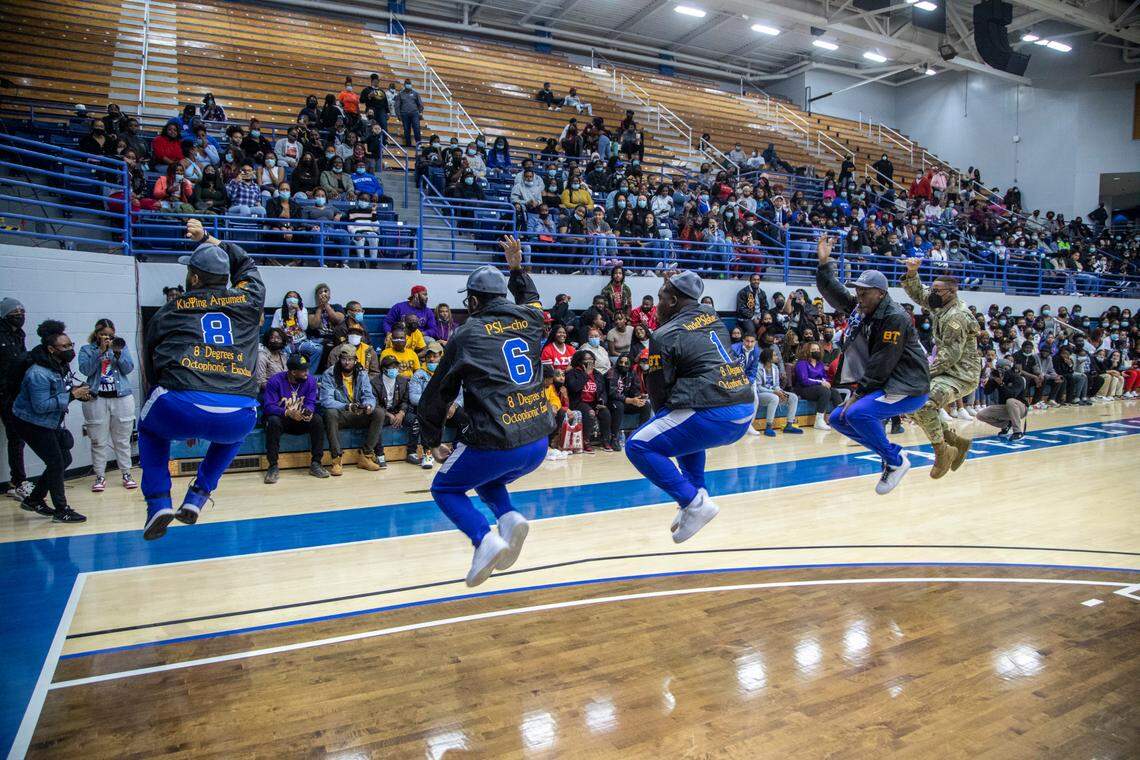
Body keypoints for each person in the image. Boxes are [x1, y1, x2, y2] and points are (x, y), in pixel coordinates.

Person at [417, 237, 555, 587]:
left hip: (497, 440)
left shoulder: (467, 334)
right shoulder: (532, 319)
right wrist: (517, 269)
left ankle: (484, 539)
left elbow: (437, 394)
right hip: (538, 441)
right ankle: (508, 518)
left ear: (474, 301)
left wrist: (431, 440)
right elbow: (533, 300)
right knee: (487, 479)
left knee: (445, 488)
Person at [139, 220, 263, 541]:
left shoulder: (169, 310)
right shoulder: (249, 302)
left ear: (193, 278)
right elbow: (246, 263)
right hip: (237, 411)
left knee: (149, 426)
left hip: (179, 403)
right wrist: (209, 238)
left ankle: (158, 502)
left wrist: (183, 411)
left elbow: (152, 370)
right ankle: (198, 496)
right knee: (238, 426)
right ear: (227, 279)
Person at [625, 271, 755, 543]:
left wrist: (660, 419)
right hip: (744, 408)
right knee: (683, 427)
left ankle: (693, 502)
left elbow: (658, 391)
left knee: (638, 445)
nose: (657, 305)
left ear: (672, 300)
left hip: (714, 410)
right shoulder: (713, 317)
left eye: (661, 298)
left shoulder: (663, 334)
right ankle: (698, 494)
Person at [815, 237, 930, 494]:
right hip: (886, 384)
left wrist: (856, 394)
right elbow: (835, 293)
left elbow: (882, 362)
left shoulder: (894, 317)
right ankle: (890, 455)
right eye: (857, 291)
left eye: (864, 292)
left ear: (881, 293)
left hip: (908, 386)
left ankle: (895, 461)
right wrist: (824, 263)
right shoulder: (863, 309)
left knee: (855, 413)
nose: (859, 296)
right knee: (838, 419)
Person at [901, 258, 980, 478]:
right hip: (946, 371)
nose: (932, 293)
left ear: (951, 293)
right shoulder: (941, 304)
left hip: (961, 375)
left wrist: (922, 373)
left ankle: (942, 451)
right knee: (909, 401)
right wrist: (912, 272)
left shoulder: (957, 317)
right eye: (932, 288)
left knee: (924, 404)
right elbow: (919, 294)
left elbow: (949, 356)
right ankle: (955, 441)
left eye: (937, 290)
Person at [11, 320, 93, 522]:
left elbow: (61, 390)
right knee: (56, 462)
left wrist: (78, 392)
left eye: (70, 345)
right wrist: (72, 395)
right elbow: (41, 406)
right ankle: (61, 510)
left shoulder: (58, 364)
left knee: (64, 459)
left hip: (48, 422)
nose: (69, 350)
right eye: (64, 347)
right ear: (50, 349)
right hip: (31, 423)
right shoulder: (38, 373)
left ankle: (34, 500)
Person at [77, 319, 137, 492]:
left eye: (110, 335)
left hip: (121, 397)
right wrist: (101, 353)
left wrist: (116, 353)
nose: (107, 338)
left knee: (122, 440)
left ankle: (126, 473)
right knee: (98, 440)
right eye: (103, 335)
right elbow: (86, 370)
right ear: (96, 334)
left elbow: (128, 369)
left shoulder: (120, 346)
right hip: (97, 398)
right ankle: (100, 476)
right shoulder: (87, 350)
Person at [262, 353, 329, 483]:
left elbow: (311, 402)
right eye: (303, 370)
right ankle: (273, 466)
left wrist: (308, 411)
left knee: (317, 420)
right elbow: (268, 407)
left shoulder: (310, 381)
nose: (307, 372)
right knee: (273, 421)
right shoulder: (275, 381)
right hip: (283, 419)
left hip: (300, 420)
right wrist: (287, 412)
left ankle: (316, 463)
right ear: (293, 372)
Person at [319, 343, 386, 473]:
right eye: (344, 359)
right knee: (330, 413)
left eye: (350, 359)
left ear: (355, 360)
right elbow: (326, 400)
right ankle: (336, 459)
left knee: (378, 412)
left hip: (357, 412)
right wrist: (347, 406)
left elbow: (368, 394)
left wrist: (368, 405)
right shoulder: (329, 374)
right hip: (341, 413)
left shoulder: (361, 373)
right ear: (339, 359)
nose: (347, 362)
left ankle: (366, 456)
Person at [0, 298, 30, 501]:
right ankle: (18, 481)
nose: (19, 314)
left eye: (22, 310)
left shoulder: (18, 335)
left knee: (16, 438)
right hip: (3, 391)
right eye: (15, 311)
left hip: (14, 393)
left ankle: (17, 481)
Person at [566, 349, 611, 451]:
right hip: (578, 402)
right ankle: (586, 441)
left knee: (605, 412)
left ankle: (606, 441)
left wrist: (601, 401)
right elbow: (574, 388)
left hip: (594, 402)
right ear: (579, 361)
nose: (589, 362)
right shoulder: (572, 373)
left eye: (591, 359)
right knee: (590, 413)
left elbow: (603, 391)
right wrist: (586, 374)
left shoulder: (597, 374)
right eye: (586, 359)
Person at [755, 346, 803, 436]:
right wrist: (774, 392)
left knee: (793, 397)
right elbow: (758, 388)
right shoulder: (758, 368)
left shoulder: (775, 368)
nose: (777, 357)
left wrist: (780, 392)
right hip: (760, 395)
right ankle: (768, 427)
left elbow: (776, 385)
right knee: (774, 398)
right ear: (768, 357)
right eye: (774, 355)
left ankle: (789, 425)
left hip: (773, 393)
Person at [793, 342, 841, 430]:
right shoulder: (802, 363)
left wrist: (826, 382)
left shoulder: (820, 364)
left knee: (834, 392)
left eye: (818, 349)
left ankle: (840, 419)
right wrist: (820, 383)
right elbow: (804, 380)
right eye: (813, 350)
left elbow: (824, 378)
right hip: (804, 389)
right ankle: (819, 421)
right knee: (824, 391)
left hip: (817, 389)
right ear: (807, 351)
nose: (816, 351)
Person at [977, 357, 1028, 440]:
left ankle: (1018, 432)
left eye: (1002, 369)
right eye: (999, 369)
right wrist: (991, 380)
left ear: (1007, 368)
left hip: (1021, 408)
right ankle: (1006, 425)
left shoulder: (1017, 378)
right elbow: (987, 392)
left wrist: (1001, 384)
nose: (1001, 372)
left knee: (1010, 401)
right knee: (980, 415)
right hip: (1006, 407)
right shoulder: (998, 377)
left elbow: (1012, 394)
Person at [395, 79, 424, 148]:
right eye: (407, 83)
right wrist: (398, 115)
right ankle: (408, 145)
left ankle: (418, 144)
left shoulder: (415, 93)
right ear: (404, 85)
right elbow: (397, 105)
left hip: (414, 114)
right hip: (404, 114)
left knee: (417, 128)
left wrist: (420, 112)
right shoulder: (400, 94)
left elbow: (420, 104)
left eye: (409, 83)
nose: (408, 85)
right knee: (406, 130)